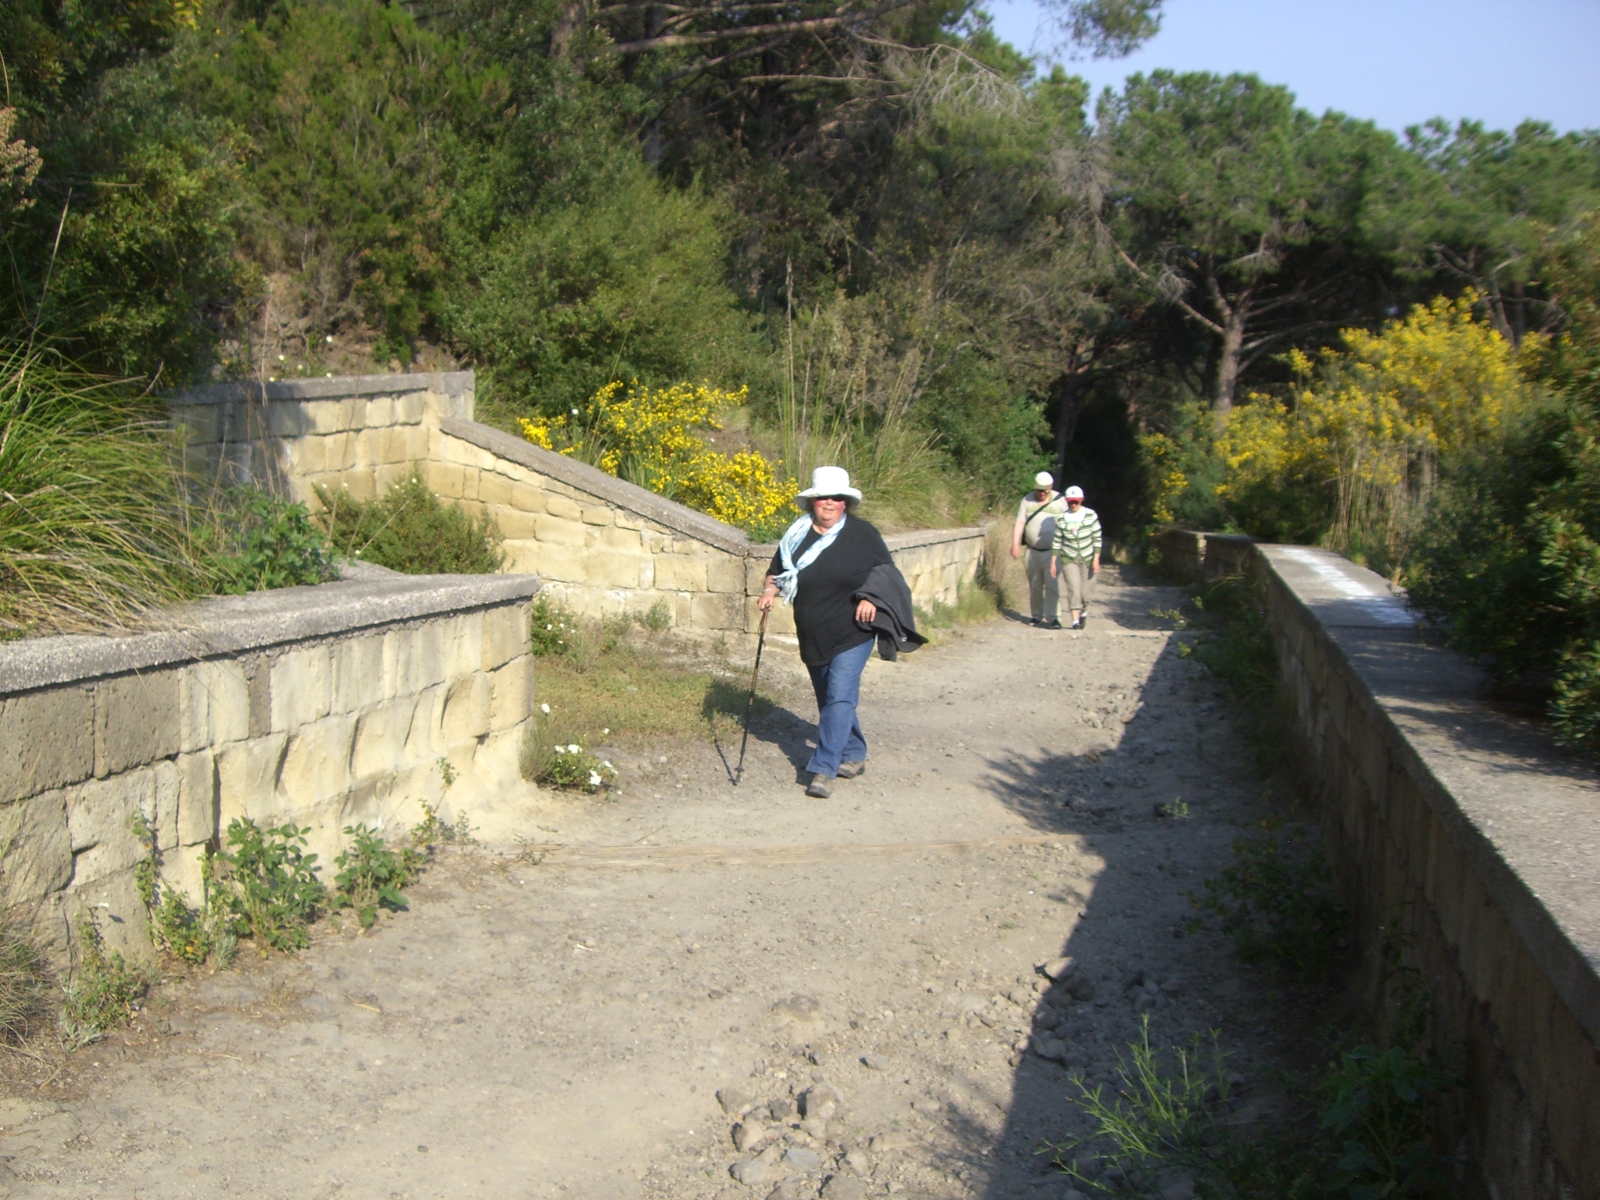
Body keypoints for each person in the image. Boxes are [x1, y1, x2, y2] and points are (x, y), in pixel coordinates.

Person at [758, 466, 901, 799]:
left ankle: (824, 768)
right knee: (830, 698)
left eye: (837, 497)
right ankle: (854, 751)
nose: (830, 503)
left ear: (845, 503)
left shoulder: (863, 534)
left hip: (854, 630)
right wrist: (768, 592)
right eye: (824, 497)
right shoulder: (795, 535)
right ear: (813, 501)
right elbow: (776, 573)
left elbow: (886, 574)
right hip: (812, 630)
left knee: (839, 693)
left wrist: (870, 597)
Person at [1011, 470, 1069, 628]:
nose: (1041, 494)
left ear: (1050, 488)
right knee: (1035, 585)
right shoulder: (1027, 500)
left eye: (1045, 491)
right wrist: (1015, 543)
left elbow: (1067, 523)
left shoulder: (1060, 501)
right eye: (1038, 490)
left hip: (1052, 552)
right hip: (1032, 550)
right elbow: (1020, 522)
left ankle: (1054, 617)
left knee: (1052, 584)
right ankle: (1036, 615)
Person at [1050, 485, 1102, 630]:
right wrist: (1053, 561)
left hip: (1088, 557)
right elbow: (1057, 541)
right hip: (1069, 558)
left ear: (1082, 500)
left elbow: (1097, 538)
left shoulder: (1091, 515)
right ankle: (1075, 621)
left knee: (1085, 593)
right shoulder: (1061, 518)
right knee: (1073, 588)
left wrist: (1096, 558)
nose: (1073, 504)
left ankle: (1084, 611)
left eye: (1076, 502)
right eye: (1071, 502)